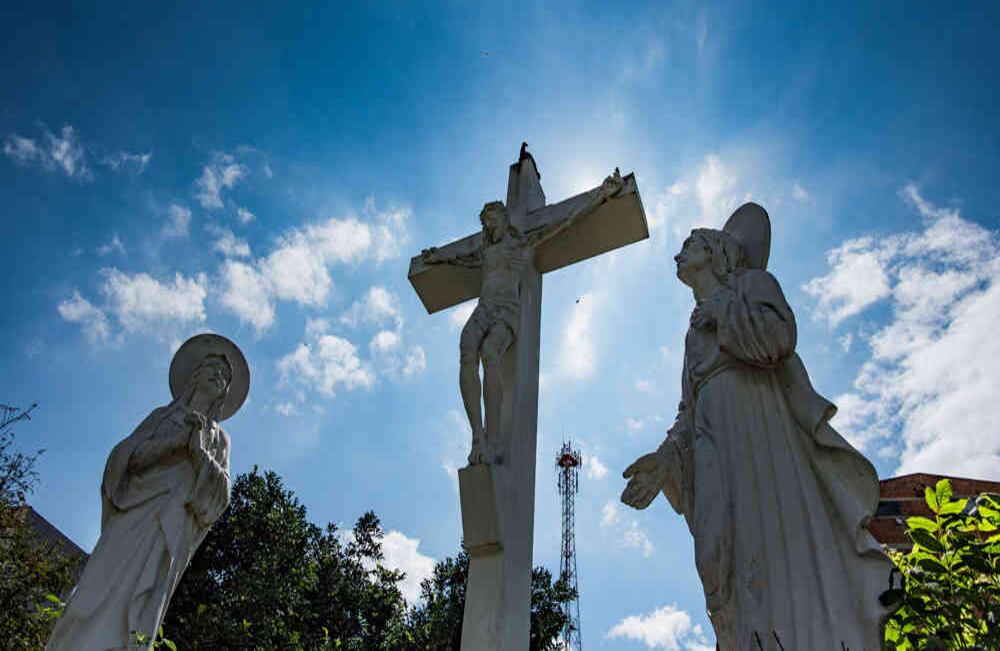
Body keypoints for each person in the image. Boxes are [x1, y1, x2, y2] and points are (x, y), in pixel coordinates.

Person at [621, 204, 890, 650]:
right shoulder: (692, 330)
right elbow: (688, 408)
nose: (680, 251)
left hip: (756, 424)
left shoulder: (751, 285)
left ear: (715, 252)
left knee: (768, 541)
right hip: (709, 437)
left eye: (690, 243)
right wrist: (664, 459)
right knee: (713, 554)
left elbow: (779, 340)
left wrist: (724, 315)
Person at [47, 334, 249, 651]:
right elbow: (125, 459)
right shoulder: (162, 417)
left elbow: (220, 497)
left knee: (143, 601)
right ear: (195, 374)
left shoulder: (218, 439)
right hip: (136, 511)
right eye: (211, 367)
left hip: (170, 528)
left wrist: (199, 454)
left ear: (225, 392)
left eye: (224, 376)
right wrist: (174, 443)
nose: (218, 376)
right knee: (91, 593)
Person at [423, 171, 624, 464]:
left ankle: (493, 439)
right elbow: (459, 257)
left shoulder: (522, 243)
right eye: (486, 222)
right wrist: (437, 256)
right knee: (467, 349)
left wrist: (600, 195)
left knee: (490, 353)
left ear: (504, 220)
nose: (489, 226)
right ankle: (477, 435)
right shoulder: (485, 252)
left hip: (506, 309)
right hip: (484, 307)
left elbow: (564, 221)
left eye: (493, 219)